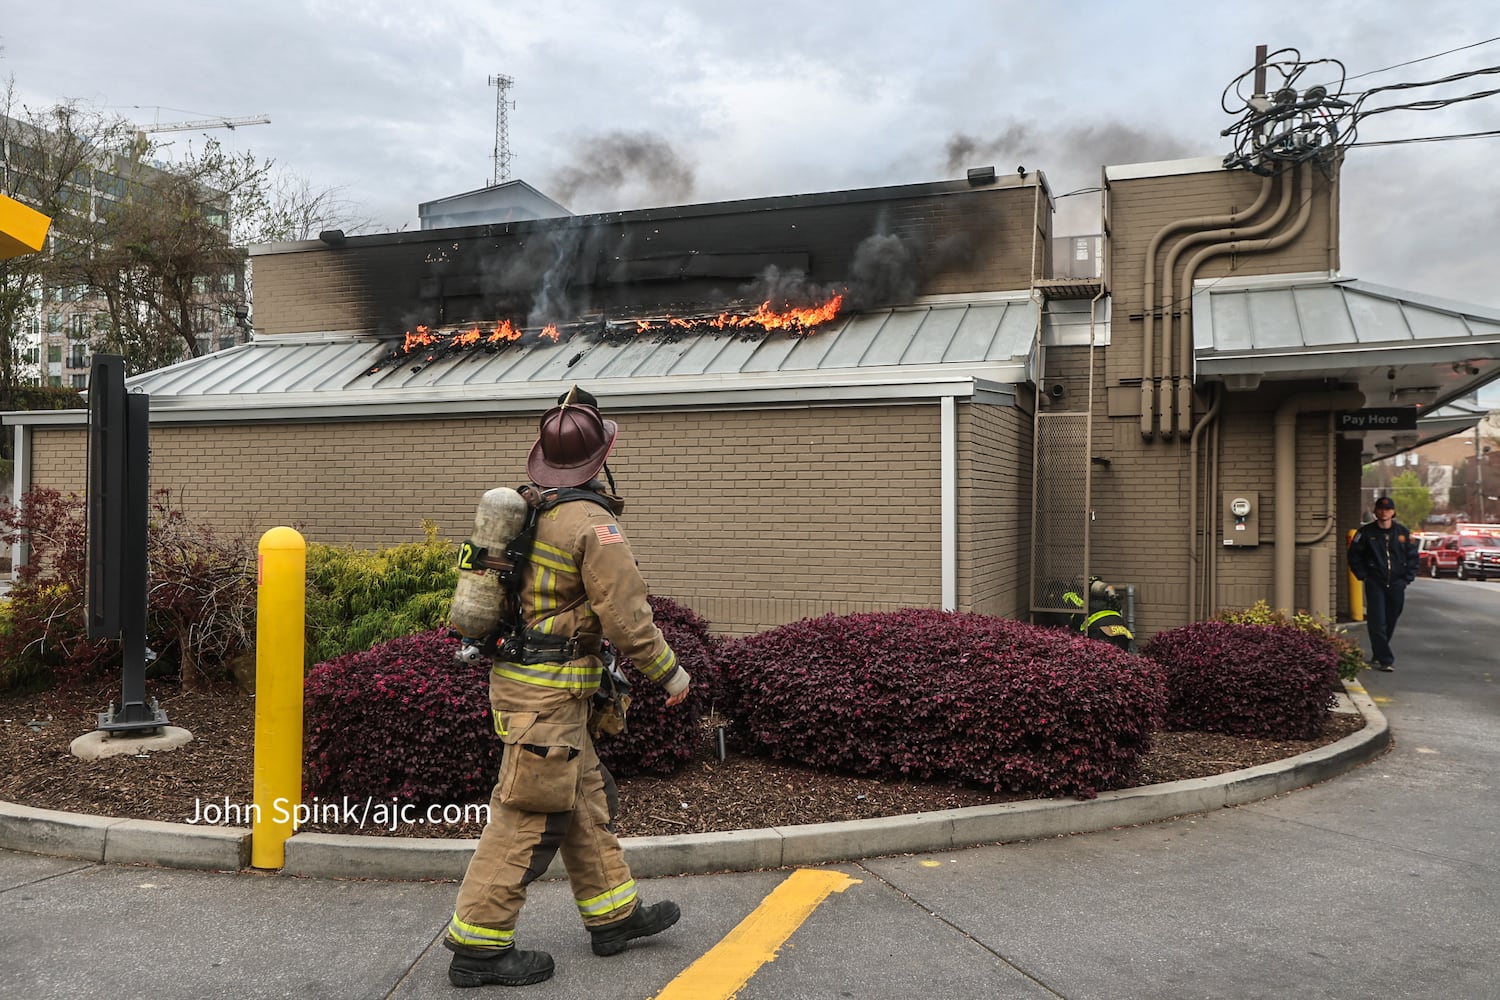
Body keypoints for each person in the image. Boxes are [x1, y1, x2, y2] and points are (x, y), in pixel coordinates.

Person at [443, 386, 691, 989]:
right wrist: (668, 673)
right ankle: (478, 948)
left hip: (537, 687)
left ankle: (614, 916)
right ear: (600, 457)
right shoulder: (590, 522)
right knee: (528, 817)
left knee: (582, 800)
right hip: (549, 695)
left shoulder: (533, 507)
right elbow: (626, 614)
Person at [1346, 496, 1418, 672]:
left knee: (1391, 618)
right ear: (1375, 512)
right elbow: (1354, 556)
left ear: (1393, 512)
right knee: (1377, 621)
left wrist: (1407, 578)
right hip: (1375, 582)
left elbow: (1413, 556)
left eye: (1388, 510)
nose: (1384, 512)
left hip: (1396, 583)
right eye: (1381, 509)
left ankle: (1379, 650)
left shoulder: (1403, 533)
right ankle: (1386, 659)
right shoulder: (1365, 533)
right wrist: (1363, 575)